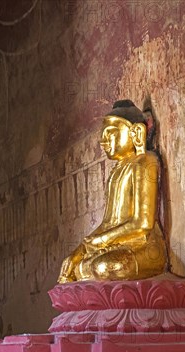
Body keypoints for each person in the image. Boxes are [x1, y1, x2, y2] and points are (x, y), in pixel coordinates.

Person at [57, 100, 168, 283]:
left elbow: (142, 224)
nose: (104, 141)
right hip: (117, 244)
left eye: (111, 133)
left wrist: (101, 242)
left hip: (144, 246)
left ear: (136, 133)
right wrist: (79, 252)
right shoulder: (115, 173)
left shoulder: (145, 162)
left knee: (105, 267)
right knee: (75, 267)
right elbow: (108, 223)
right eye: (103, 135)